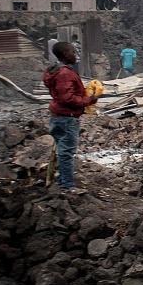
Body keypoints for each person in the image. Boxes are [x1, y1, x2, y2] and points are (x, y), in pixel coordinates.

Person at [43, 42, 97, 193]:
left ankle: (62, 181)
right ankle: (67, 186)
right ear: (66, 54)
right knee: (66, 152)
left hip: (58, 116)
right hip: (67, 118)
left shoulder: (57, 71)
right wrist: (89, 100)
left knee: (62, 150)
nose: (76, 54)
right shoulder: (65, 73)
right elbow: (67, 98)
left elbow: (62, 94)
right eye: (73, 52)